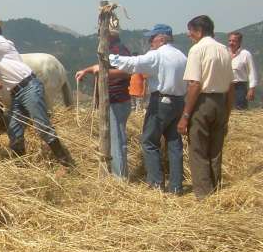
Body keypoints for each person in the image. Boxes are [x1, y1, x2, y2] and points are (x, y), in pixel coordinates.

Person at [0, 13, 73, 167]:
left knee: (42, 126)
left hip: (28, 89)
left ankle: (65, 162)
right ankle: (20, 165)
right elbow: (12, 68)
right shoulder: (1, 44)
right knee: (14, 129)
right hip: (19, 91)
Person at [109, 24, 188, 193]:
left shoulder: (157, 55)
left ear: (161, 38)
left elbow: (133, 63)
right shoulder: (181, 56)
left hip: (161, 102)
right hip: (179, 101)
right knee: (174, 143)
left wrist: (108, 58)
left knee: (150, 141)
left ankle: (156, 183)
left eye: (152, 38)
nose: (150, 41)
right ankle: (176, 186)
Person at [178, 15, 234, 199]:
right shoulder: (224, 50)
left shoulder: (197, 50)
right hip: (221, 101)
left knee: (198, 150)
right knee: (216, 150)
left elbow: (195, 84)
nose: (189, 35)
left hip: (203, 102)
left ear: (199, 31)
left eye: (191, 31)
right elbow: (231, 85)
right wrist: (227, 111)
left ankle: (204, 195)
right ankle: (216, 189)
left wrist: (185, 115)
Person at [75, 29, 132, 180]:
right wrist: (86, 70)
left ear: (109, 34)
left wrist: (103, 71)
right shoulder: (111, 50)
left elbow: (127, 71)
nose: (99, 36)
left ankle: (120, 178)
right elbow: (102, 65)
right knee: (113, 138)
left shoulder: (120, 50)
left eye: (101, 33)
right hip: (113, 100)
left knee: (116, 140)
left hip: (117, 100)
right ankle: (116, 174)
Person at [227, 31, 257, 110]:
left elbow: (252, 72)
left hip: (240, 87)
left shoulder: (245, 54)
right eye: (230, 40)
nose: (231, 43)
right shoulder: (224, 53)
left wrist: (252, 89)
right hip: (226, 86)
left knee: (240, 111)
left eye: (234, 41)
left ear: (239, 42)